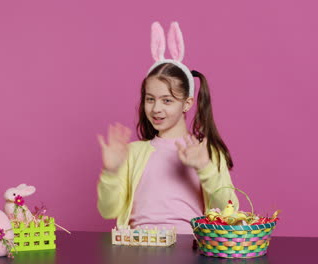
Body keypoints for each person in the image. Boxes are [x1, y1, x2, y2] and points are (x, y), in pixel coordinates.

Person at [96, 22, 238, 234]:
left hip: (188, 247)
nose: (156, 109)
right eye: (150, 99)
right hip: (138, 248)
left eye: (167, 100)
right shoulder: (133, 153)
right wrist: (111, 171)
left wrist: (206, 169)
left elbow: (231, 212)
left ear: (187, 103)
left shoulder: (205, 152)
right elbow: (108, 211)